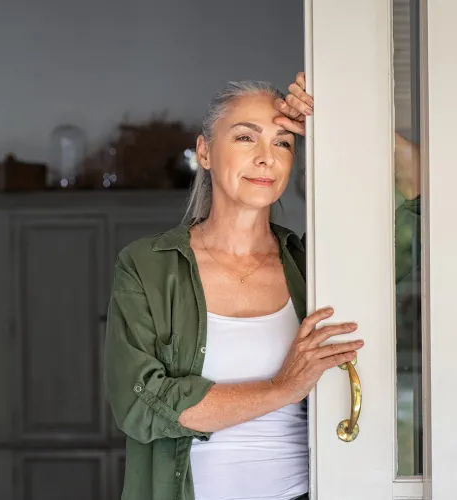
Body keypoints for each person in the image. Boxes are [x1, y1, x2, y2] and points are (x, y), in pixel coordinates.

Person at [104, 73, 421, 500]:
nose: (266, 157)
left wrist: (351, 123)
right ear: (205, 151)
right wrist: (282, 388)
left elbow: (418, 192)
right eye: (245, 138)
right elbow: (139, 404)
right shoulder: (147, 266)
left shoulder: (316, 267)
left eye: (283, 142)